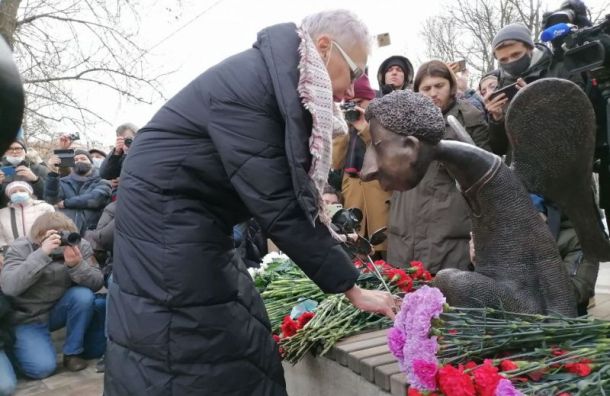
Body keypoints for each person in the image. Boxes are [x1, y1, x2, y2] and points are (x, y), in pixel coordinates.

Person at [104, 10, 396, 396]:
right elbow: (277, 203)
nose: (354, 88)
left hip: (189, 222)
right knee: (186, 343)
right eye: (356, 70)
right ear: (324, 48)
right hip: (167, 226)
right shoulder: (250, 86)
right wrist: (351, 288)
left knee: (232, 333)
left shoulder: (269, 80)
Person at [387, 60, 490, 273]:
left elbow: (483, 169)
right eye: (426, 88)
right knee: (406, 288)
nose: (433, 93)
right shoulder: (404, 121)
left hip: (449, 223)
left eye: (439, 86)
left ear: (451, 86)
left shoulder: (469, 117)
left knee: (447, 294)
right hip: (407, 220)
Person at [0, 212, 105, 378]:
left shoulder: (77, 244)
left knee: (82, 296)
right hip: (27, 317)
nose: (60, 240)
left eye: (64, 234)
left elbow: (97, 282)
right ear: (38, 236)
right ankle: (16, 351)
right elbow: (9, 287)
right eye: (54, 235)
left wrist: (77, 266)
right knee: (41, 369)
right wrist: (41, 254)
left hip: (56, 310)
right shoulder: (21, 247)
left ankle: (72, 353)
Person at [332, 74, 391, 254]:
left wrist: (365, 128)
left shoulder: (385, 121)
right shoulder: (345, 126)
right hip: (353, 193)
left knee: (382, 248)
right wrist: (343, 128)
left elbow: (387, 155)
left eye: (359, 101)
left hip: (379, 194)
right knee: (357, 249)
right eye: (350, 102)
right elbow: (335, 162)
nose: (355, 107)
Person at [44, 149, 111, 234]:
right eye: (75, 160)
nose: (79, 161)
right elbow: (51, 200)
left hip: (93, 234)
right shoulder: (63, 182)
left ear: (91, 162)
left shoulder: (102, 181)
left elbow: (95, 199)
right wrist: (53, 174)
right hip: (66, 233)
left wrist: (66, 203)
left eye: (83, 159)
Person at [0, 181, 55, 264]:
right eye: (13, 192)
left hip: (43, 254)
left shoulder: (46, 208)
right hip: (13, 257)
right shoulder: (2, 213)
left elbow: (55, 229)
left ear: (29, 192)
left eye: (22, 190)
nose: (18, 193)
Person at [0, 140, 49, 207]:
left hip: (35, 213)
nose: (14, 152)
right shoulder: (1, 170)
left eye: (18, 148)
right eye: (9, 149)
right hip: (6, 213)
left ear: (25, 151)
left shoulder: (40, 169)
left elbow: (50, 197)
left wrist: (36, 180)